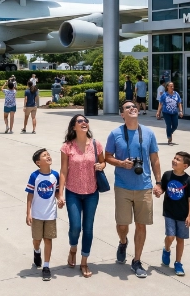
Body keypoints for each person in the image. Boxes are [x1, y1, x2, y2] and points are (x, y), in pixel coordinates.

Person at [105, 101, 162, 278]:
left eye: (134, 106)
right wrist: (121, 163)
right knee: (122, 225)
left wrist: (158, 182)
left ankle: (136, 261)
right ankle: (123, 242)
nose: (132, 108)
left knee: (141, 224)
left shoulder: (148, 132)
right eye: (128, 107)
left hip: (144, 186)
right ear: (122, 114)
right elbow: (107, 157)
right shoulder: (115, 134)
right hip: (122, 185)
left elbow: (155, 159)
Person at [56, 114, 105, 278]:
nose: (84, 123)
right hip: (72, 192)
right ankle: (73, 249)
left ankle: (84, 262)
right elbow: (63, 170)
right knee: (75, 227)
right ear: (74, 127)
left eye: (85, 121)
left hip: (92, 192)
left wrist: (101, 165)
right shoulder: (67, 147)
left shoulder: (97, 145)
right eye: (80, 121)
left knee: (88, 228)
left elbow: (103, 162)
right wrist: (60, 194)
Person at [158, 152, 190, 277]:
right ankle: (167, 249)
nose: (174, 160)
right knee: (170, 236)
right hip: (169, 212)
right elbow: (163, 188)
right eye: (174, 158)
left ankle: (178, 262)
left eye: (178, 159)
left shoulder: (188, 180)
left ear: (185, 166)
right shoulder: (167, 175)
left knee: (180, 239)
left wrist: (189, 215)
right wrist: (159, 191)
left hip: (183, 214)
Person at [26, 148, 61, 281]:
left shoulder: (55, 175)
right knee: (37, 240)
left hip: (50, 214)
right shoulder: (34, 176)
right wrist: (28, 213)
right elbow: (29, 195)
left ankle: (46, 266)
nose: (48, 157)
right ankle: (36, 251)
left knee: (48, 239)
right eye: (44, 156)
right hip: (37, 214)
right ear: (38, 162)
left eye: (48, 154)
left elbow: (57, 192)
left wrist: (60, 199)